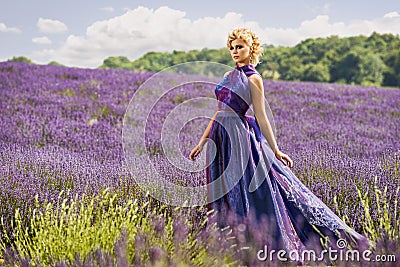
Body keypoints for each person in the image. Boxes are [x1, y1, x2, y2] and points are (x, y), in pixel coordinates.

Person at [189, 28, 369, 260]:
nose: (235, 51)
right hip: (220, 139)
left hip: (239, 138)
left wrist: (275, 149)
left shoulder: (254, 78)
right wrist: (202, 142)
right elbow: (218, 111)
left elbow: (261, 116)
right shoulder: (228, 76)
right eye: (232, 47)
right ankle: (229, 240)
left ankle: (258, 240)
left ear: (251, 48)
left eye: (240, 46)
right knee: (224, 190)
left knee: (250, 190)